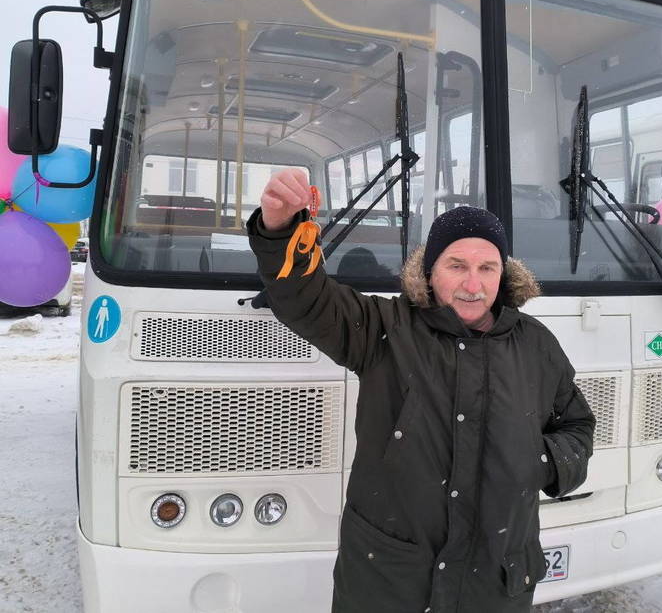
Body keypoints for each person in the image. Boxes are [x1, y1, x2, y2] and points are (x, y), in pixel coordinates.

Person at [247, 168, 596, 613]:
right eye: (457, 266)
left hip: (495, 583)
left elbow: (577, 426)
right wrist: (279, 229)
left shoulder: (536, 344)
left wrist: (542, 461)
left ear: (503, 274)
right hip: (391, 579)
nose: (473, 284)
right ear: (430, 272)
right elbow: (304, 296)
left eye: (487, 267)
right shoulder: (383, 329)